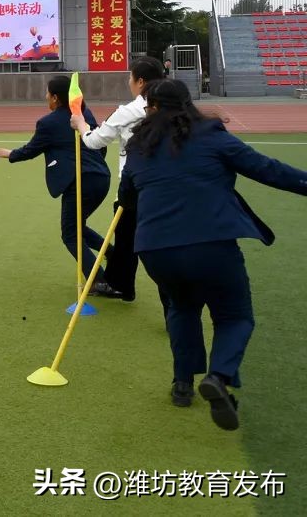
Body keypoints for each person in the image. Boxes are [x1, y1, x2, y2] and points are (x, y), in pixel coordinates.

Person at [120, 79, 307, 428]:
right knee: (235, 316)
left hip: (156, 249)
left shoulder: (137, 148)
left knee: (182, 308)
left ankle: (182, 385)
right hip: (210, 243)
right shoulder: (212, 135)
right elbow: (267, 169)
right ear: (187, 104)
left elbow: (127, 198)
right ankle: (218, 378)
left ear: (154, 108)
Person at [0, 75, 120, 297]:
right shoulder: (83, 113)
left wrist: (10, 154)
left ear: (56, 98)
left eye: (47, 93)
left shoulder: (48, 123)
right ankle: (112, 254)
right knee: (78, 226)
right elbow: (100, 143)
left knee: (70, 234)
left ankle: (98, 280)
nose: (45, 97)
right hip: (101, 178)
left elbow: (32, 149)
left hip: (80, 181)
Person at [68, 56, 164, 301]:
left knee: (131, 241)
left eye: (131, 78)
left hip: (135, 186)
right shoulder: (174, 106)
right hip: (167, 184)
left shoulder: (129, 111)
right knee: (136, 241)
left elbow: (94, 141)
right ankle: (122, 285)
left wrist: (80, 124)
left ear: (140, 81)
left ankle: (123, 285)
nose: (129, 82)